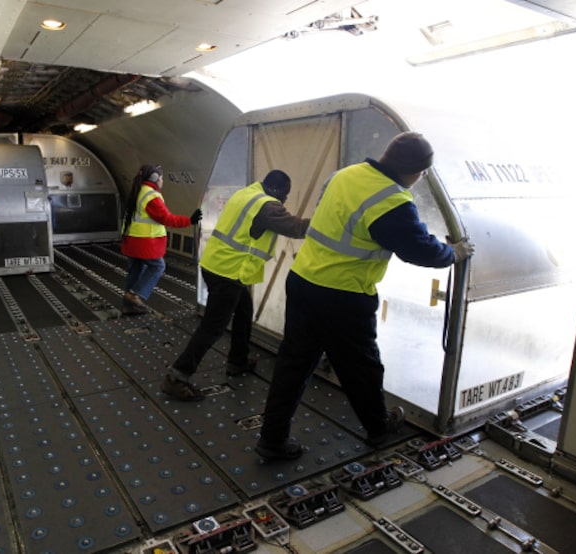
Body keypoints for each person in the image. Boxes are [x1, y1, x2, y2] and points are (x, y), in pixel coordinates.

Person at [256, 132, 476, 460]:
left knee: (293, 366)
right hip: (343, 296)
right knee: (362, 369)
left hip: (303, 280)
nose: (422, 178)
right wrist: (454, 252)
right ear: (414, 170)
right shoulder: (391, 200)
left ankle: (271, 441)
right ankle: (379, 428)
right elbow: (418, 250)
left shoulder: (345, 174)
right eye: (423, 172)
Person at [161, 170, 311, 400]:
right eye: (285, 194)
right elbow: (297, 228)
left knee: (243, 311)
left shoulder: (246, 194)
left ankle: (238, 361)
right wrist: (330, 222)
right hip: (228, 272)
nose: (285, 199)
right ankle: (177, 377)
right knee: (212, 327)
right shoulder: (267, 206)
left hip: (216, 264)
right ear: (276, 189)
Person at [121, 164, 202, 315]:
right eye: (161, 178)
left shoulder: (138, 191)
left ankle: (128, 306)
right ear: (154, 178)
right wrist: (190, 220)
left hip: (131, 239)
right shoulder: (151, 196)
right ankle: (133, 295)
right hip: (145, 241)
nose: (163, 181)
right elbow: (167, 218)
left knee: (136, 270)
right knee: (158, 266)